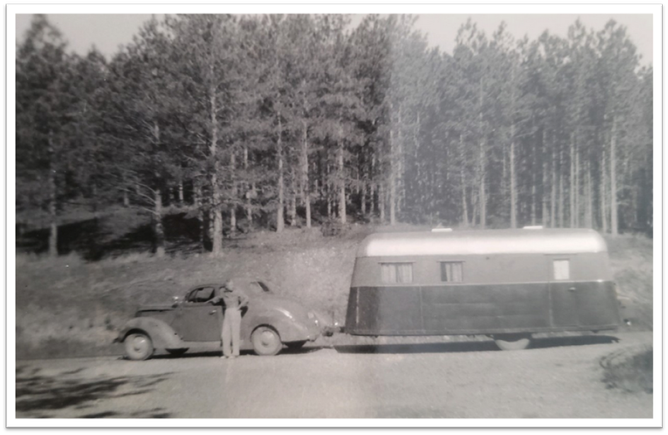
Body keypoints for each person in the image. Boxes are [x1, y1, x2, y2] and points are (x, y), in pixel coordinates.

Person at [210, 279, 249, 359]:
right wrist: (212, 301)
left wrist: (239, 307)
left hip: (235, 311)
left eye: (232, 284)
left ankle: (235, 353)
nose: (232, 286)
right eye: (229, 285)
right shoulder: (223, 292)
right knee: (225, 333)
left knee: (235, 333)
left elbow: (246, 298)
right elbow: (218, 298)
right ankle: (226, 353)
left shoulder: (237, 291)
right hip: (227, 311)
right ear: (226, 287)